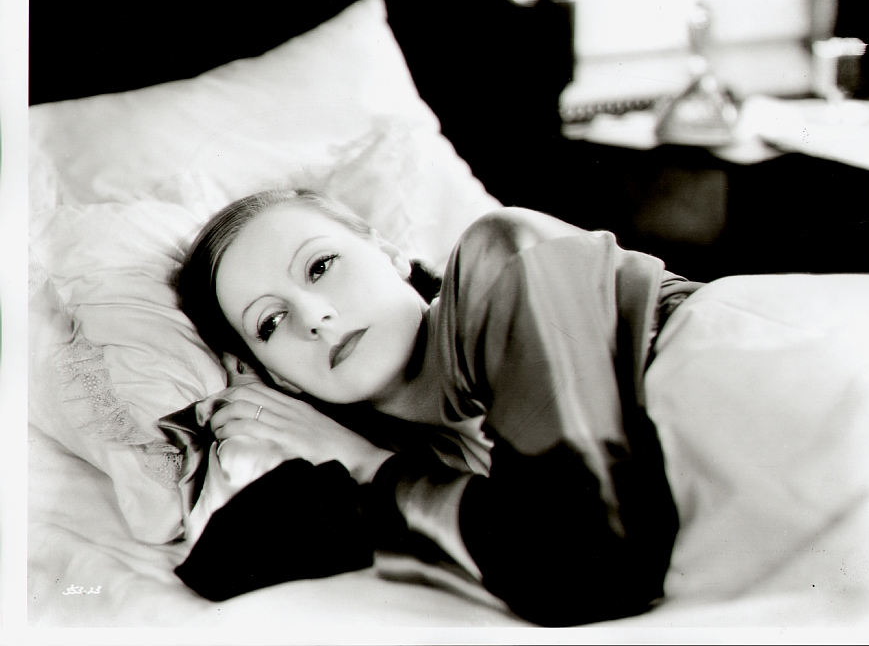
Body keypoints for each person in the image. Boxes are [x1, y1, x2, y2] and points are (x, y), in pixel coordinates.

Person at [170, 188, 702, 626]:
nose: (312, 316)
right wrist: (343, 456)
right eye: (269, 323)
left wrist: (368, 464)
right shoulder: (408, 452)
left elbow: (594, 565)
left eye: (321, 266)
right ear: (273, 376)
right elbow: (219, 565)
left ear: (390, 253)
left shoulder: (503, 255)